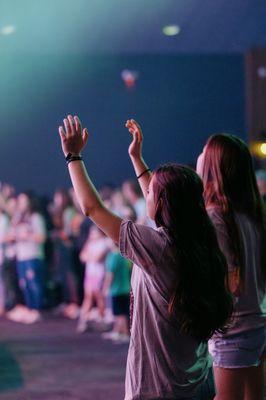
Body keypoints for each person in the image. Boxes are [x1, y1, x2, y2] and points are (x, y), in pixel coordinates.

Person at [58, 115, 232, 400]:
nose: (146, 192)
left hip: (157, 388)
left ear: (161, 203)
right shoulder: (202, 240)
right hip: (197, 381)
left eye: (150, 192)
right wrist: (137, 159)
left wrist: (73, 157)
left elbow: (92, 208)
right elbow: (168, 199)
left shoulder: (158, 247)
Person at [197, 134, 266, 400]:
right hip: (258, 323)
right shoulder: (254, 214)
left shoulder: (215, 217)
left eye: (205, 154)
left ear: (215, 167)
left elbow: (231, 285)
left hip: (233, 329)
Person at [77, 225, 109, 333]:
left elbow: (97, 258)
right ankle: (83, 321)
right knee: (88, 297)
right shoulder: (90, 243)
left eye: (93, 233)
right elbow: (82, 256)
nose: (91, 235)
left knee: (99, 297)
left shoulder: (104, 243)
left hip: (99, 274)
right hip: (90, 274)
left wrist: (89, 256)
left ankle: (102, 320)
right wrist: (90, 256)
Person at [102, 241, 131, 343]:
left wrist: (105, 288)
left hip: (116, 289)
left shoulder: (113, 256)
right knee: (123, 311)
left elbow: (110, 274)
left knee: (119, 313)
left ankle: (124, 333)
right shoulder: (124, 255)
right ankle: (118, 331)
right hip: (126, 288)